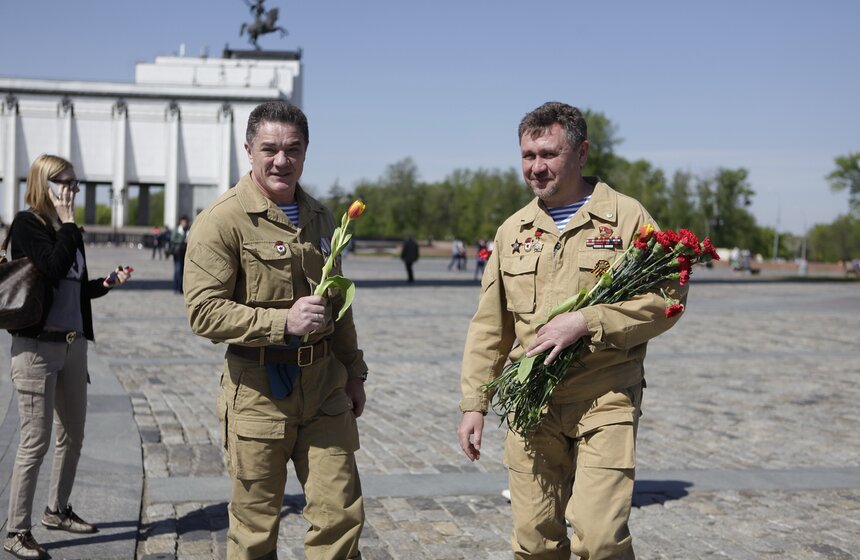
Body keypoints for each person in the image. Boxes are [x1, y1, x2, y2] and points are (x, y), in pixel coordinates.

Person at [456, 102, 686, 560]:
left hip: (604, 398)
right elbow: (490, 327)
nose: (536, 168)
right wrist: (473, 404)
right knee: (535, 541)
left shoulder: (626, 219)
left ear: (580, 153)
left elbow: (667, 300)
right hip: (531, 405)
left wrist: (588, 321)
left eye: (549, 154)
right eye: (528, 156)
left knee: (600, 540)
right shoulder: (512, 231)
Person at [183, 101, 367, 560]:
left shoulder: (324, 219)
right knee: (255, 528)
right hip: (258, 395)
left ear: (306, 153)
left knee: (340, 517)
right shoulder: (222, 220)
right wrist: (281, 322)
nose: (281, 160)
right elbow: (203, 312)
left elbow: (337, 305)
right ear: (249, 150)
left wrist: (354, 371)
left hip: (325, 387)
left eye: (293, 149)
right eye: (270, 149)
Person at [3, 154, 132, 560]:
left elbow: (72, 287)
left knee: (72, 435)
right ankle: (15, 531)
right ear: (46, 183)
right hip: (37, 348)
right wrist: (70, 224)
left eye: (76, 184)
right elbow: (53, 267)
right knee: (34, 442)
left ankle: (55, 510)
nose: (74, 190)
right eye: (67, 183)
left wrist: (106, 283)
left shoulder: (65, 230)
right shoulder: (29, 225)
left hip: (73, 346)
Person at [169, 215, 190, 294]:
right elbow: (172, 239)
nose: (185, 223)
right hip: (177, 252)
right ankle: (175, 287)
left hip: (185, 252)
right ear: (181, 222)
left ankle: (181, 288)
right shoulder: (177, 230)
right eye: (184, 222)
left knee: (184, 271)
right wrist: (182, 240)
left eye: (186, 222)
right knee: (177, 270)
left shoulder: (189, 230)